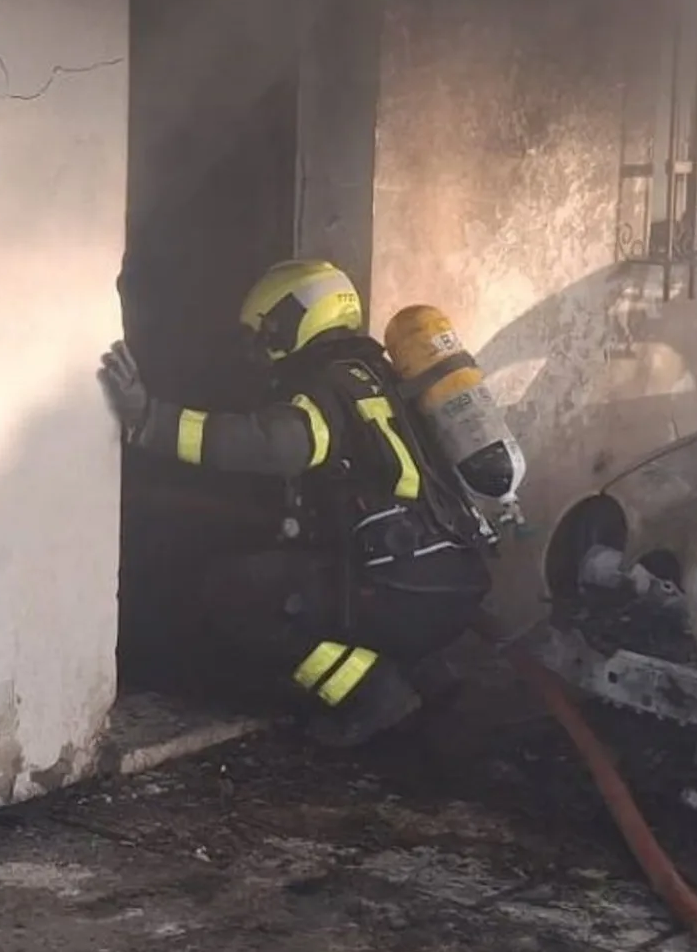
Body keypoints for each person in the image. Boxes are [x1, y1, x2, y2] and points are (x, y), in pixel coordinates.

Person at [99, 259, 495, 746]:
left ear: (296, 318)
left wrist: (149, 421)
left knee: (237, 593)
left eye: (265, 331)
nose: (258, 346)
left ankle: (372, 693)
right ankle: (433, 679)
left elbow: (271, 444)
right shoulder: (380, 374)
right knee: (320, 577)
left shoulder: (328, 385)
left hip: (400, 586)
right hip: (450, 584)